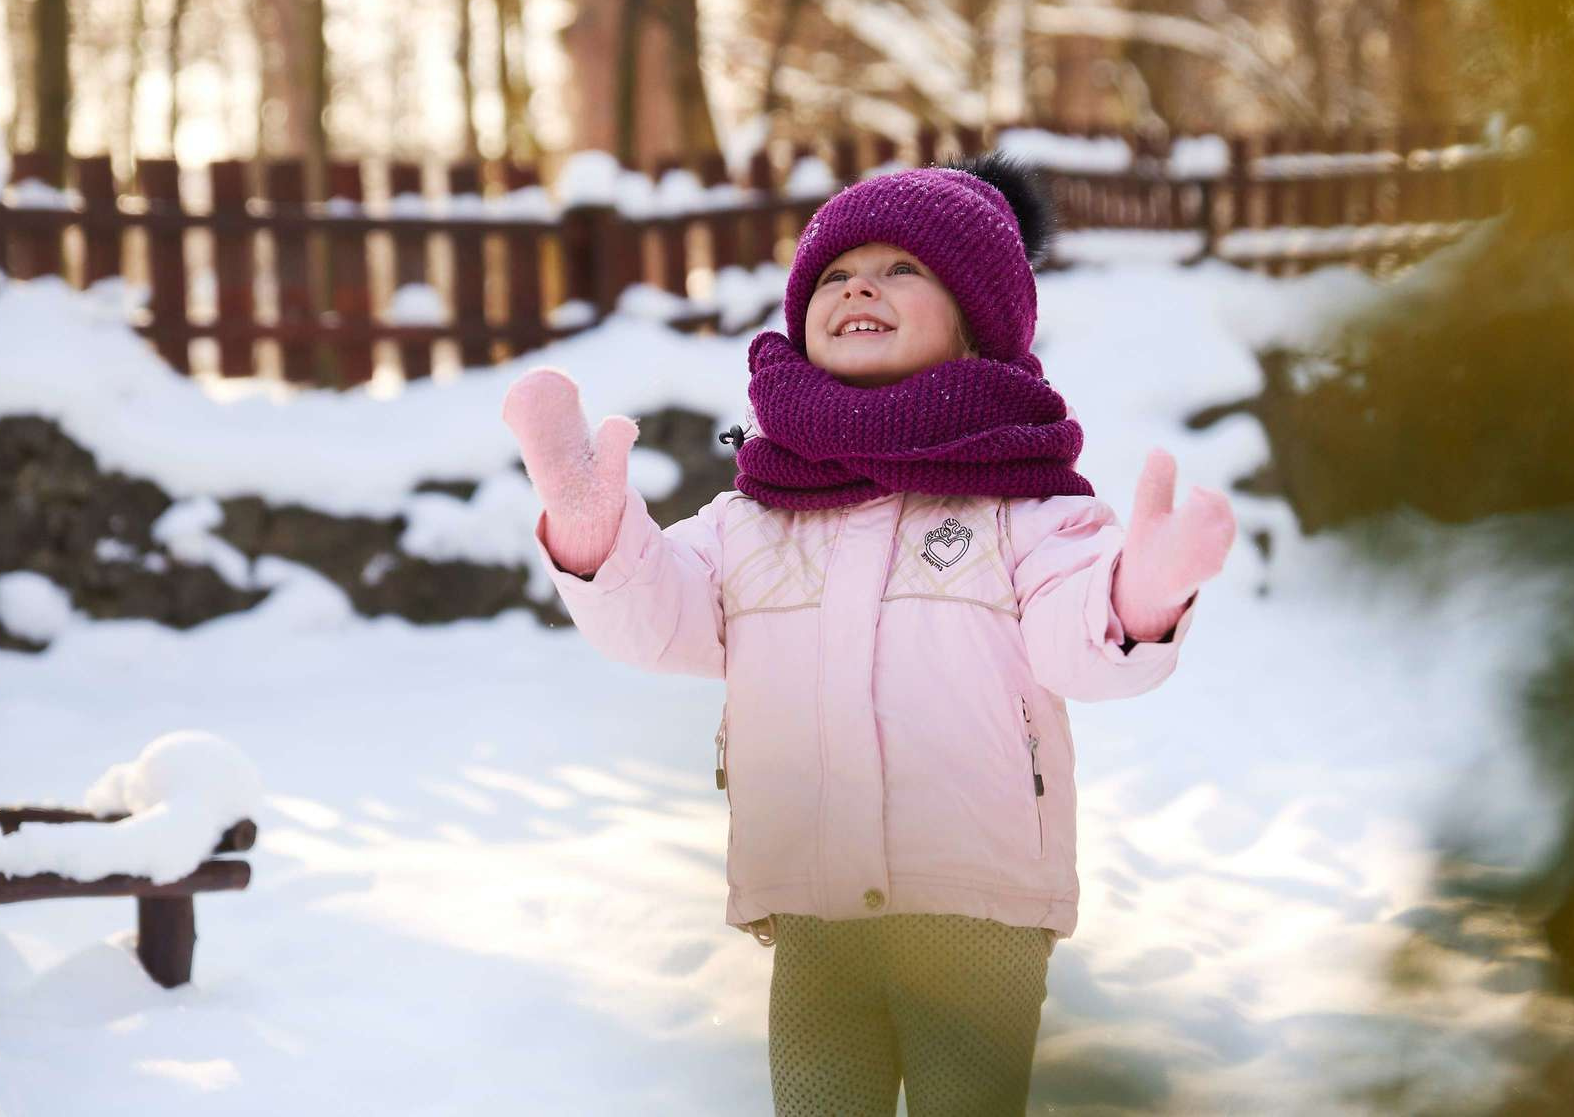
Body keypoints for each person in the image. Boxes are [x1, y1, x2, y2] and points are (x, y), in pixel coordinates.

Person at [500, 152, 1236, 1116]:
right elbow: (664, 619)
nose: (859, 285)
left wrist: (1140, 594)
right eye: (838, 272)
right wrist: (597, 536)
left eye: (903, 270)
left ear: (976, 325)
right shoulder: (757, 512)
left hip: (974, 906)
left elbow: (1073, 635)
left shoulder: (1025, 506)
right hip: (815, 908)